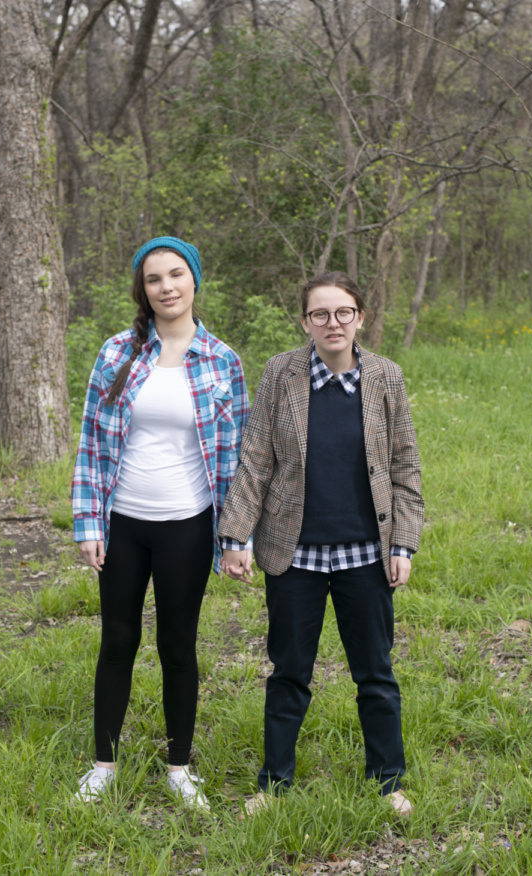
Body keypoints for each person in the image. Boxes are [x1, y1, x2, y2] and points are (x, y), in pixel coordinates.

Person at [218, 270, 424, 816]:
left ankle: (388, 782)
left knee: (375, 673)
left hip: (365, 555)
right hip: (295, 555)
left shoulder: (386, 377)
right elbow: (256, 459)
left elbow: (405, 467)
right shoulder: (280, 374)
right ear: (305, 320)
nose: (332, 323)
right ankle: (274, 784)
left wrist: (402, 544)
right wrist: (236, 533)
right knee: (288, 672)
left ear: (360, 316)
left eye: (343, 313)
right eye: (320, 314)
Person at [72, 236, 249, 807]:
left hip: (188, 526)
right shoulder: (118, 351)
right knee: (117, 640)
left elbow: (239, 456)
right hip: (123, 522)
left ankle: (178, 769)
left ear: (195, 280)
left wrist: (234, 536)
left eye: (176, 275)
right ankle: (103, 766)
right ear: (142, 290)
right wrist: (89, 523)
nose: (166, 286)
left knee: (178, 645)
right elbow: (92, 443)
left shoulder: (222, 360)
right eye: (154, 279)